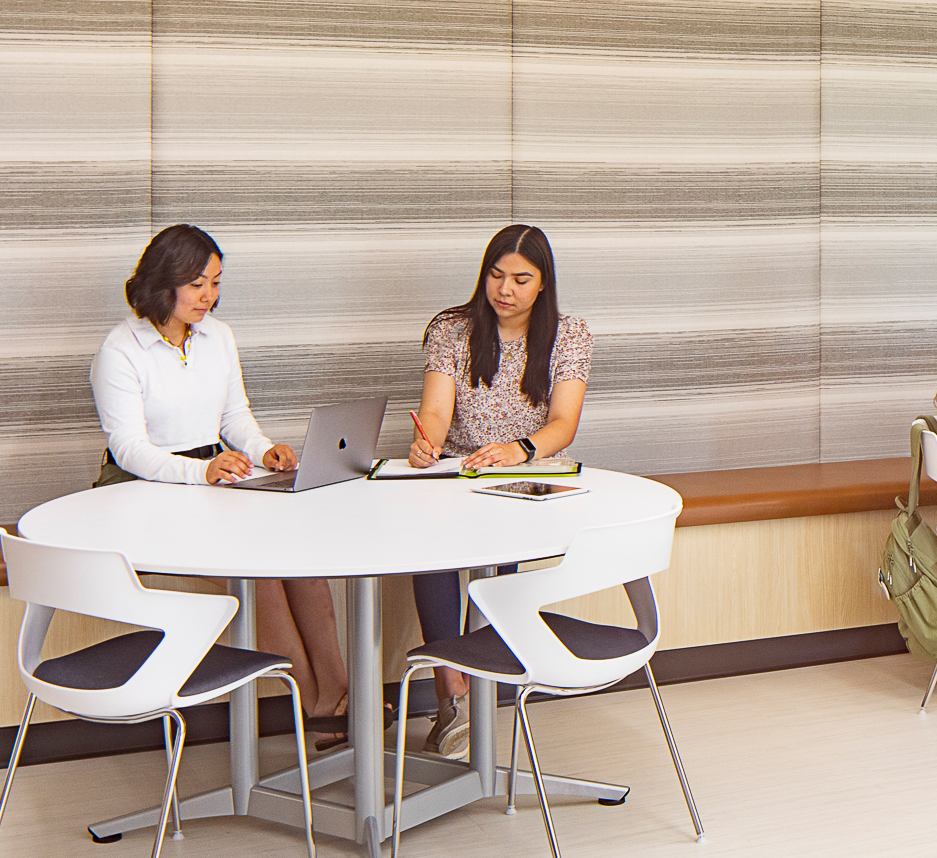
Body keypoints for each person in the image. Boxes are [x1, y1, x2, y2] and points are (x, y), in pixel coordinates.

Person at [90, 224, 352, 748]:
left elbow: (235, 418)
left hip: (214, 481)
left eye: (215, 282)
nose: (208, 296)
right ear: (163, 284)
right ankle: (310, 703)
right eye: (197, 284)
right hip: (142, 487)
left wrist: (263, 450)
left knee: (299, 561)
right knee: (259, 578)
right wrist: (200, 472)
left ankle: (340, 697)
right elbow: (129, 449)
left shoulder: (219, 336)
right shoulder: (121, 350)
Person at [407, 225, 591, 757]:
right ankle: (452, 691)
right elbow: (437, 412)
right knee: (433, 553)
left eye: (520, 279)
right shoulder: (453, 329)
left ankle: (477, 685)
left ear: (542, 284)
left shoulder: (568, 333)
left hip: (522, 478)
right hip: (456, 474)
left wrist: (520, 449)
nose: (504, 289)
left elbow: (563, 423)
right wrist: (428, 445)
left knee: (497, 562)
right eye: (495, 275)